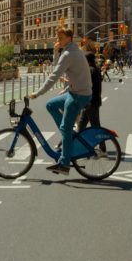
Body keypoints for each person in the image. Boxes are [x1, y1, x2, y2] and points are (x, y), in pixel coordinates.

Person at [29, 28, 92, 176]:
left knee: (65, 126)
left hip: (79, 95)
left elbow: (54, 76)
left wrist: (38, 93)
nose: (58, 40)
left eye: (61, 37)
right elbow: (58, 68)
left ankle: (64, 164)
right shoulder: (71, 50)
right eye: (57, 37)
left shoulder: (70, 54)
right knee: (50, 105)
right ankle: (67, 135)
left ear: (69, 38)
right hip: (75, 92)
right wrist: (55, 52)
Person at [76, 39, 102, 134]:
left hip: (91, 102)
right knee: (81, 124)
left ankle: (102, 145)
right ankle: (77, 144)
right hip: (90, 101)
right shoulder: (95, 69)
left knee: (95, 125)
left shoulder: (90, 70)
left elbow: (86, 84)